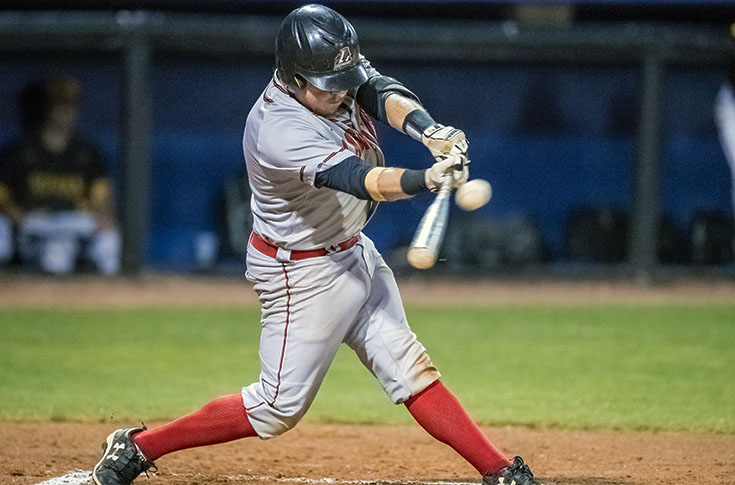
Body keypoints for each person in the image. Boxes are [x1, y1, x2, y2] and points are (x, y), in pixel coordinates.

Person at [91, 5, 541, 485]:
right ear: (292, 76)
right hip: (299, 273)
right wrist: (424, 179)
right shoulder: (279, 129)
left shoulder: (332, 80)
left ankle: (500, 470)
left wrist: (428, 131)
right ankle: (138, 447)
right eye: (330, 84)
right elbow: (359, 179)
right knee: (275, 408)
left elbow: (380, 89)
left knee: (409, 368)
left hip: (351, 251)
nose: (342, 90)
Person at [0, 75, 120, 275]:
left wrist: (104, 220)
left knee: (110, 239)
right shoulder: (18, 151)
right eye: (58, 104)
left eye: (70, 105)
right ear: (45, 107)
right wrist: (20, 217)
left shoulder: (87, 153)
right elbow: (3, 199)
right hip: (33, 224)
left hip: (73, 224)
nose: (65, 112)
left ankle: (115, 298)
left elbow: (102, 200)